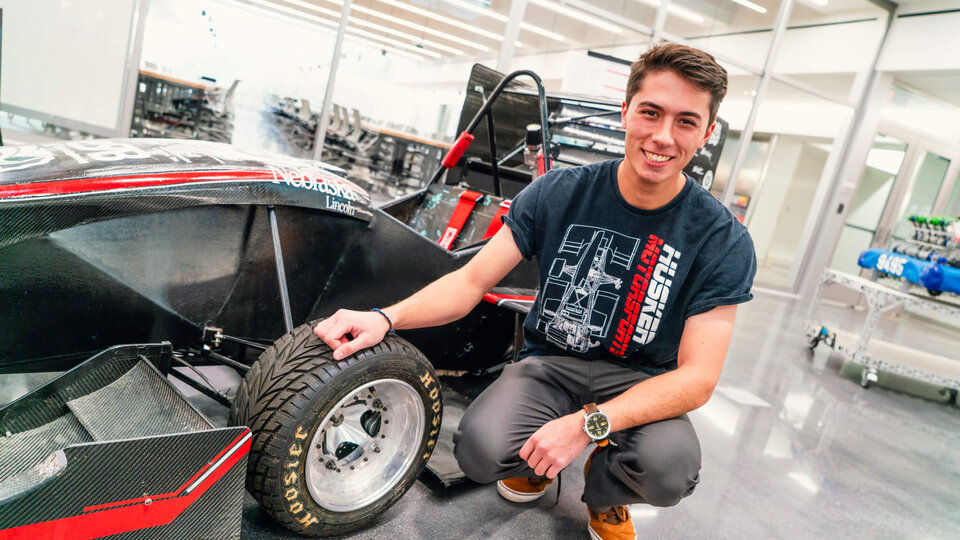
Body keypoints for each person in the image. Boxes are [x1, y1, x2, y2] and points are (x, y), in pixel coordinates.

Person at [314, 43, 756, 540]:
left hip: (640, 378)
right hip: (550, 364)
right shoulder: (560, 192)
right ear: (627, 110)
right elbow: (470, 281)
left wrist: (589, 425)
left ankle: (606, 487)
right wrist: (385, 317)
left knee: (667, 468)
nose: (662, 136)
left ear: (707, 132)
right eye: (651, 112)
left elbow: (697, 379)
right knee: (480, 451)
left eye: (686, 121)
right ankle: (534, 460)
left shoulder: (722, 238)